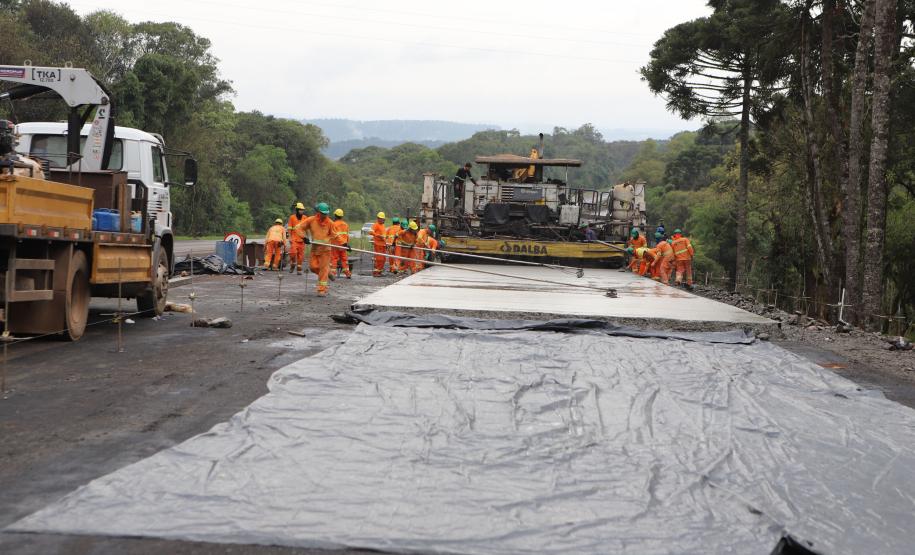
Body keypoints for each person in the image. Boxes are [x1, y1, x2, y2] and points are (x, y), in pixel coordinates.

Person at [292, 202, 336, 296]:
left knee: (323, 269)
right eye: (323, 213)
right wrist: (304, 237)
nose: (325, 215)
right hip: (315, 248)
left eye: (326, 214)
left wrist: (344, 243)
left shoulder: (330, 223)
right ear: (318, 212)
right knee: (313, 267)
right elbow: (298, 228)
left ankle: (321, 290)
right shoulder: (311, 220)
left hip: (325, 250)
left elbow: (335, 235)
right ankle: (328, 273)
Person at [330, 208, 352, 279]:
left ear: (335, 216)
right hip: (344, 245)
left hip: (335, 245)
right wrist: (347, 244)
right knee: (344, 260)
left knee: (334, 259)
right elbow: (347, 235)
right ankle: (348, 274)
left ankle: (333, 274)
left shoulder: (333, 224)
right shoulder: (345, 224)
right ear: (342, 216)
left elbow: (333, 235)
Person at [287, 202, 308, 274]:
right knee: (293, 253)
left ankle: (299, 269)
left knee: (300, 255)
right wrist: (289, 237)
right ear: (297, 210)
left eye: (302, 210)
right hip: (294, 239)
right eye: (300, 210)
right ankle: (293, 264)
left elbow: (307, 228)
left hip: (302, 239)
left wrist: (307, 237)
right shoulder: (292, 217)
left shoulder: (305, 217)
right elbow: (289, 228)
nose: (302, 211)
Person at [369, 212, 387, 277]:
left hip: (383, 245)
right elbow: (370, 232)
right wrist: (378, 235)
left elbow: (384, 235)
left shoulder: (383, 226)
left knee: (383, 259)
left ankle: (379, 271)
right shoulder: (376, 225)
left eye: (384, 219)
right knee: (379, 259)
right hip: (378, 245)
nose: (383, 220)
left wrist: (386, 242)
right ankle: (376, 272)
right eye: (382, 219)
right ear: (379, 219)